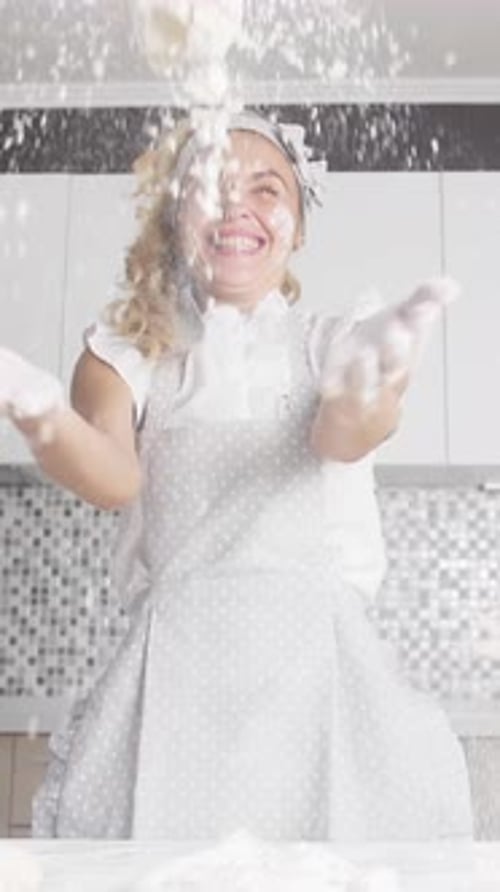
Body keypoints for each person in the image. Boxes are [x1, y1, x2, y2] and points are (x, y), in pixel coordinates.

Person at [0, 110, 472, 841]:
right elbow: (114, 475)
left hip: (324, 691)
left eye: (266, 189)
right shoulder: (128, 353)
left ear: (299, 227)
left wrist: (366, 387)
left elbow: (344, 432)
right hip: (171, 696)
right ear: (173, 217)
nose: (238, 208)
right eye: (211, 188)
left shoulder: (332, 344)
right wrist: (45, 420)